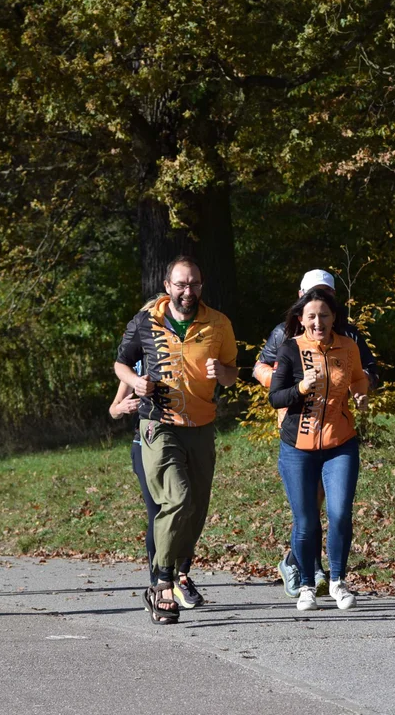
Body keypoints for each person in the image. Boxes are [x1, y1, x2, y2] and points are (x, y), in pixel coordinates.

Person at [115, 256, 239, 624]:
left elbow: (233, 374)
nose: (189, 292)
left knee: (196, 508)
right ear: (167, 286)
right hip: (158, 423)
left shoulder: (218, 324)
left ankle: (173, 571)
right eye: (181, 285)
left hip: (201, 425)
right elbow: (121, 363)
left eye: (195, 285)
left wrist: (224, 373)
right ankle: (163, 583)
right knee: (177, 497)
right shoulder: (145, 322)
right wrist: (135, 383)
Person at [253, 269, 378, 598]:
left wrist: (361, 389)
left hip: (337, 436)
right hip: (297, 430)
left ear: (334, 307)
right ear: (300, 298)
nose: (319, 318)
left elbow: (366, 372)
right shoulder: (285, 334)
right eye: (313, 298)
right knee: (307, 515)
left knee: (335, 510)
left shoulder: (349, 337)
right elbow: (260, 371)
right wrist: (295, 385)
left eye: (327, 300)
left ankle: (326, 574)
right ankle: (303, 570)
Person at [109, 356, 195, 596]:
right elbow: (114, 409)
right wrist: (122, 408)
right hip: (145, 444)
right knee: (158, 512)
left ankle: (182, 576)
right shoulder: (136, 365)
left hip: (186, 438)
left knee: (187, 508)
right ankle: (159, 580)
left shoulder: (181, 353)